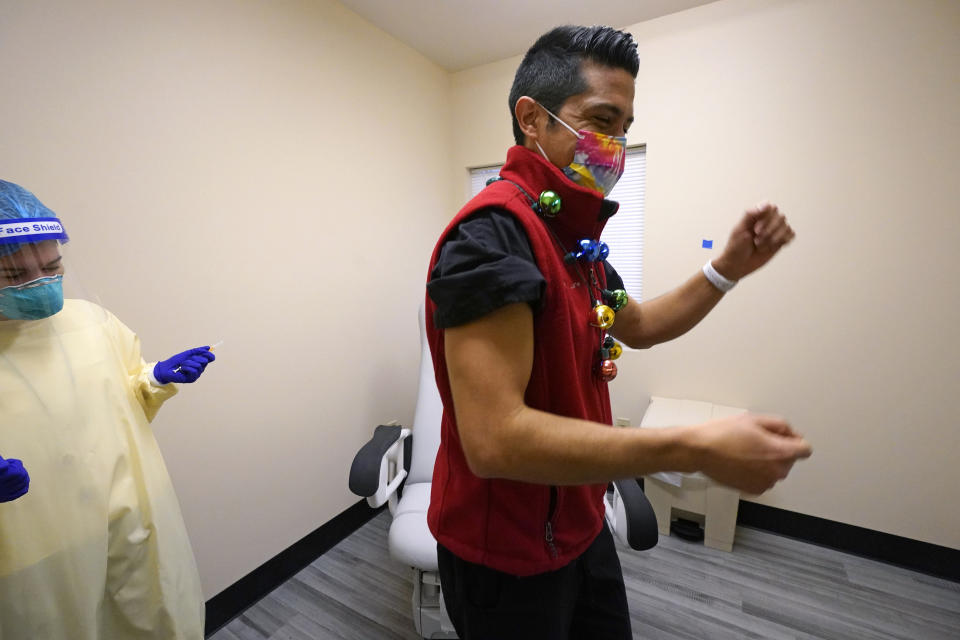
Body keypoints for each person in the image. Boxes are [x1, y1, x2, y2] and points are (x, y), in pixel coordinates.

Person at [424, 25, 812, 639]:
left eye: (625, 128)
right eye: (602, 120)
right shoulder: (490, 237)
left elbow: (643, 324)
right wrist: (696, 447)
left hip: (580, 524)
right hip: (507, 555)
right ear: (532, 118)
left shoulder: (572, 240)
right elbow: (495, 439)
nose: (616, 145)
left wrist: (726, 270)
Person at [0, 180, 214, 639]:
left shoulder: (90, 321)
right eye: (15, 276)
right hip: (34, 550)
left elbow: (120, 397)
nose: (40, 282)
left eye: (52, 265)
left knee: (154, 617)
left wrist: (155, 377)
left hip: (131, 514)